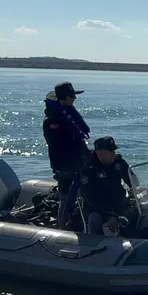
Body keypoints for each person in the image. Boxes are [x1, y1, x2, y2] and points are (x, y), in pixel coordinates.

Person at [42, 81, 91, 229]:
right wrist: (74, 164)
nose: (74, 98)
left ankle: (83, 223)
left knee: (86, 194)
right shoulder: (52, 121)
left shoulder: (69, 113)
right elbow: (59, 146)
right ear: (63, 98)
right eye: (71, 96)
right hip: (65, 166)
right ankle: (63, 227)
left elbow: (80, 135)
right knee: (66, 198)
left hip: (79, 162)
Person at [78, 136, 134, 235]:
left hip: (118, 201)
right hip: (98, 207)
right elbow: (89, 197)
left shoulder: (118, 162)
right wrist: (109, 215)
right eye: (110, 151)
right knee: (94, 219)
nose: (113, 154)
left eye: (114, 150)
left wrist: (137, 189)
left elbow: (131, 180)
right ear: (99, 153)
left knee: (135, 211)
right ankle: (94, 240)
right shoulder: (88, 168)